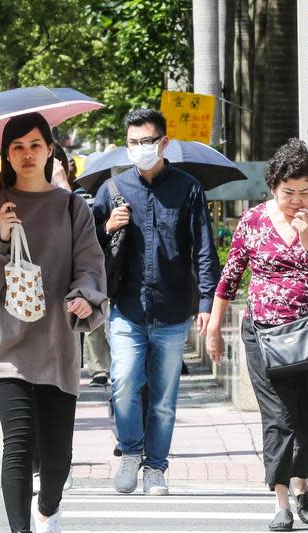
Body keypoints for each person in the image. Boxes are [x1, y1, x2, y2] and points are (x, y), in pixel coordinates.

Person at [0, 112, 106, 533]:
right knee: (19, 444)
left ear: (49, 150)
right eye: (17, 147)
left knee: (58, 457)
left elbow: (91, 266)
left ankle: (47, 507)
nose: (27, 154)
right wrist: (3, 238)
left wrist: (84, 298)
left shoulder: (72, 206)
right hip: (5, 345)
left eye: (35, 146)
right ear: (6, 155)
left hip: (56, 341)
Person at [206, 138, 308, 531]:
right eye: (289, 192)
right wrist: (213, 331)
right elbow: (230, 277)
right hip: (264, 336)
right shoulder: (252, 221)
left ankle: (303, 483)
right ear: (273, 187)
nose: (297, 200)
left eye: (304, 191)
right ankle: (282, 499)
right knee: (280, 420)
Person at [92, 109, 220, 497]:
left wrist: (206, 302)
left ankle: (156, 467)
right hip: (127, 307)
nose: (140, 148)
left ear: (164, 143)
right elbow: (86, 248)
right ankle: (131, 451)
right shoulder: (111, 191)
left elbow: (204, 249)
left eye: (147, 141)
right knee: (124, 382)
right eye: (133, 143)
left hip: (172, 308)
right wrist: (107, 227)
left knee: (164, 398)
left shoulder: (188, 188)